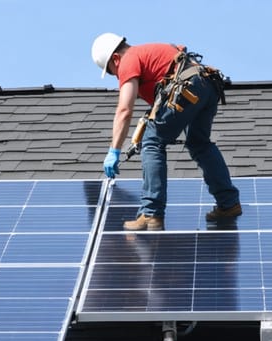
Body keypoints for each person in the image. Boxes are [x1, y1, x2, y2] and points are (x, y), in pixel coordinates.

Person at [91, 33, 241, 231]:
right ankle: (229, 204)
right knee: (199, 144)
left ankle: (151, 213)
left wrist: (114, 150)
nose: (118, 77)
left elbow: (124, 110)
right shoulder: (148, 54)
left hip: (187, 87)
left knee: (152, 142)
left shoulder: (128, 60)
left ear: (116, 59)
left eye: (113, 72)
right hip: (207, 84)